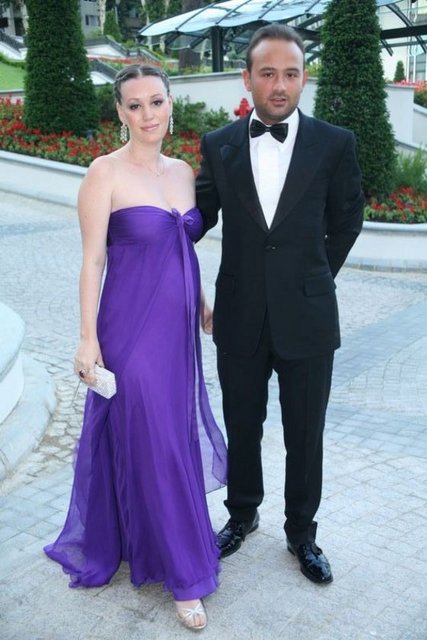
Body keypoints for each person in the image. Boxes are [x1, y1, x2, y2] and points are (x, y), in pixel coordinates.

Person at [44, 64, 227, 631]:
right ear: (120, 112)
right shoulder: (104, 172)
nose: (148, 114)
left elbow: (181, 248)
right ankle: (185, 577)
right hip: (129, 330)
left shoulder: (184, 172)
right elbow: (92, 260)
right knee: (158, 440)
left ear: (171, 104)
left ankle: (143, 538)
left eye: (156, 102)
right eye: (135, 105)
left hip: (178, 335)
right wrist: (86, 337)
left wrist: (201, 300)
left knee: (166, 437)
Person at [196, 24, 365, 584]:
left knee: (305, 435)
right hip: (239, 315)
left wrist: (313, 276)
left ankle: (302, 533)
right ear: (247, 78)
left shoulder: (334, 143)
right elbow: (197, 217)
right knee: (242, 425)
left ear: (303, 78)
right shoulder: (219, 144)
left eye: (290, 74)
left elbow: (348, 219)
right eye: (267, 73)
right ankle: (242, 515)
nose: (279, 85)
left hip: (307, 317)